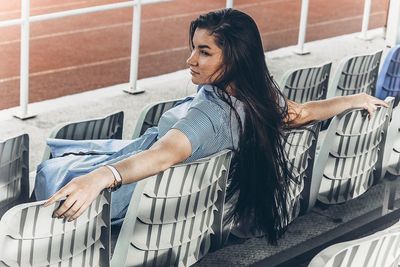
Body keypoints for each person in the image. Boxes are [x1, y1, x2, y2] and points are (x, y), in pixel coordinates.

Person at [42, 8, 388, 244]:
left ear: (235, 56)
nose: (190, 60)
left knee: (50, 170)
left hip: (138, 191)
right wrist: (352, 98)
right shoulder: (259, 98)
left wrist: (100, 177)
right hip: (177, 196)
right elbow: (300, 114)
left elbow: (164, 154)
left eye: (204, 52)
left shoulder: (208, 116)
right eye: (193, 48)